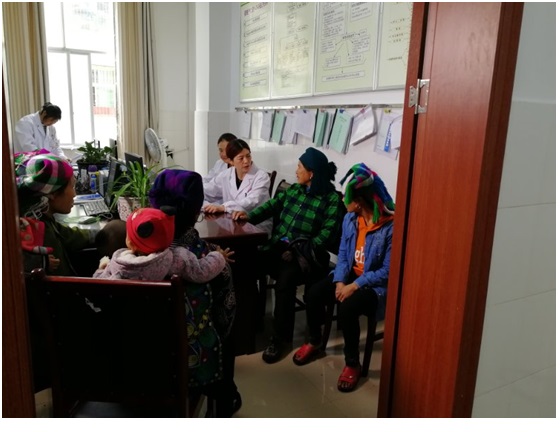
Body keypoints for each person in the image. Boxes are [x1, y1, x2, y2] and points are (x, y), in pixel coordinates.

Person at [232, 147, 346, 364]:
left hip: (306, 257)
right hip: (279, 248)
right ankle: (249, 322)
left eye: (299, 167)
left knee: (285, 281)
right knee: (246, 265)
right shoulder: (294, 190)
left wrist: (299, 248)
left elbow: (327, 234)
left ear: (311, 173)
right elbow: (271, 207)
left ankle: (280, 339)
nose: (296, 170)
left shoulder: (330, 199)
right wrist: (247, 217)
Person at [292, 163, 394, 393]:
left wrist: (354, 286)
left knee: (348, 307)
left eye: (346, 197)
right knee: (314, 293)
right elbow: (345, 254)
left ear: (358, 202)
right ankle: (315, 340)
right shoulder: (350, 219)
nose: (341, 200)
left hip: (374, 285)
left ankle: (352, 363)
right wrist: (340, 281)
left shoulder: (389, 227)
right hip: (349, 276)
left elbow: (387, 271)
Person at [149, 168, 241, 417]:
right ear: (196, 210)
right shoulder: (213, 263)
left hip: (145, 361)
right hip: (193, 363)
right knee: (225, 335)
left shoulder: (131, 256)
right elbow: (225, 320)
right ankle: (225, 400)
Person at [92, 206, 227, 282]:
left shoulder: (117, 264)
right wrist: (219, 256)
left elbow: (98, 284)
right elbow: (202, 271)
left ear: (130, 244)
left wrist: (101, 268)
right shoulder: (177, 259)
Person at [16, 153, 94, 276]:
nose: (74, 194)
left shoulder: (43, 218)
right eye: (72, 186)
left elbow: (67, 235)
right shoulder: (41, 232)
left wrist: (96, 234)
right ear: (52, 193)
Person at [203, 138, 271, 222]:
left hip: (255, 223)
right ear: (231, 161)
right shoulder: (226, 175)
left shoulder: (261, 177)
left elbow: (251, 201)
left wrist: (224, 207)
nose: (246, 161)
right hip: (232, 220)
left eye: (248, 156)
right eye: (241, 158)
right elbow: (209, 191)